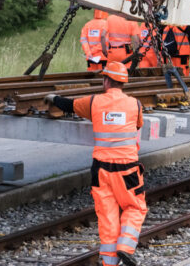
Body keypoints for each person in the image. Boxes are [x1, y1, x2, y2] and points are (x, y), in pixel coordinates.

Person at [44, 62, 147, 266]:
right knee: (135, 207)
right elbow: (138, 125)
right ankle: (125, 247)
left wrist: (53, 98)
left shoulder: (94, 102)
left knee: (107, 216)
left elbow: (70, 105)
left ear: (106, 80)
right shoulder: (135, 104)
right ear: (123, 83)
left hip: (100, 169)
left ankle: (109, 263)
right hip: (127, 170)